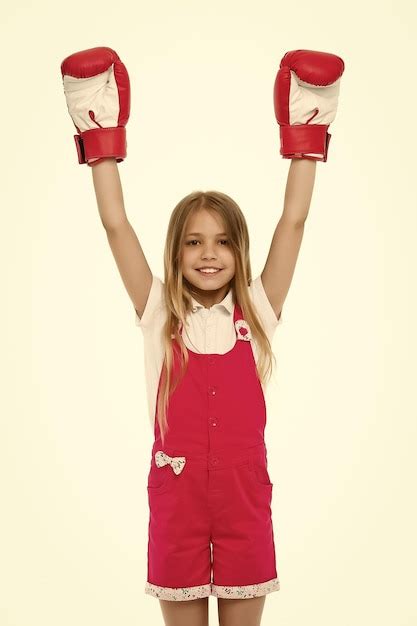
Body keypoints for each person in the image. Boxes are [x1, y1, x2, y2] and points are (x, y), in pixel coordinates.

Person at [60, 46, 344, 626]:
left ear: (239, 252)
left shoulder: (259, 309)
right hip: (177, 502)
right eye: (193, 241)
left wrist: (306, 136)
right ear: (176, 251)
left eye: (222, 241)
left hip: (243, 504)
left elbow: (294, 219)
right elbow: (116, 224)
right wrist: (101, 138)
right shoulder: (158, 311)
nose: (208, 254)